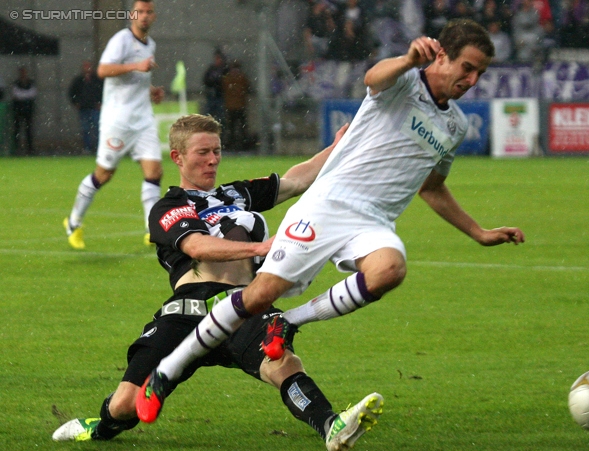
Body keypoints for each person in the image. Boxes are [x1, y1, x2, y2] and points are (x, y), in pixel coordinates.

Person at [137, 19, 525, 423]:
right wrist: (409, 57)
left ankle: (288, 323)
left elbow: (432, 187)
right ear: (442, 55)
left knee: (390, 269)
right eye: (467, 67)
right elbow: (373, 77)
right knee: (256, 298)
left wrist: (479, 232)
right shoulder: (404, 82)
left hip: (372, 221)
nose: (473, 78)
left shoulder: (456, 125)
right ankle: (166, 371)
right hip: (326, 206)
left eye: (480, 72)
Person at [52, 114, 382, 451]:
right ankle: (101, 429)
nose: (212, 159)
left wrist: (337, 147)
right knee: (126, 404)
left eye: (217, 151)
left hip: (244, 303)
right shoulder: (169, 206)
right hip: (188, 311)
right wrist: (261, 248)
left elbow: (296, 181)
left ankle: (331, 425)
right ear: (178, 157)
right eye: (202, 152)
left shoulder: (236, 194)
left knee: (282, 363)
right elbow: (196, 246)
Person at [63, 0, 165, 250]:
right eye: (139, 12)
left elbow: (136, 80)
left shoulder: (150, 44)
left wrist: (151, 91)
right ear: (132, 15)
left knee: (154, 173)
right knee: (104, 174)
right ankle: (73, 222)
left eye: (148, 12)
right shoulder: (121, 39)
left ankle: (152, 231)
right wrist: (135, 66)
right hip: (118, 120)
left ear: (154, 16)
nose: (144, 16)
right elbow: (103, 70)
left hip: (143, 119)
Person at [68, 61, 104, 153]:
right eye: (85, 67)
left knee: (96, 128)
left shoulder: (97, 80)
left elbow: (103, 91)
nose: (87, 69)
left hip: (95, 108)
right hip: (83, 108)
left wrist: (100, 102)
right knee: (85, 129)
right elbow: (72, 93)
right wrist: (75, 102)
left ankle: (97, 148)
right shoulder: (78, 80)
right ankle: (87, 147)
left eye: (89, 67)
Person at [221, 60, 251, 151]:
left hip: (236, 107)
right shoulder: (238, 79)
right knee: (233, 128)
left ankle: (238, 145)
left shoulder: (231, 79)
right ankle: (235, 145)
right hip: (234, 107)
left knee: (237, 128)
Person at [11, 66, 37, 154]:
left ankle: (30, 149)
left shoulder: (30, 82)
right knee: (17, 129)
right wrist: (25, 95)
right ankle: (16, 148)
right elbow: (16, 94)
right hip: (18, 110)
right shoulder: (16, 83)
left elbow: (32, 93)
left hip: (28, 110)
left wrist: (22, 95)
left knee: (28, 130)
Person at [202, 48, 228, 126]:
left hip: (219, 96)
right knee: (209, 116)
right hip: (212, 96)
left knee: (220, 117)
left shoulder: (224, 69)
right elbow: (206, 81)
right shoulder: (212, 69)